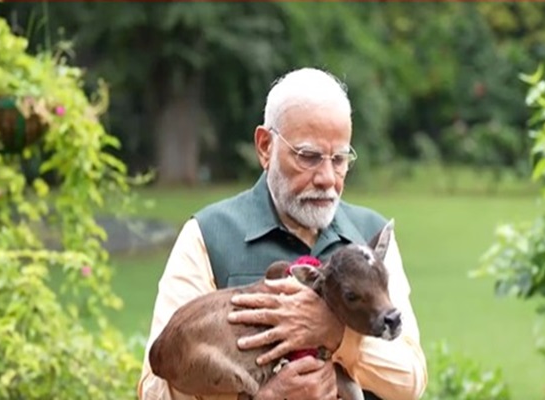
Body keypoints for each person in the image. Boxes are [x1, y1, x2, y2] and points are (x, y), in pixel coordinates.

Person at [137, 67, 428, 400]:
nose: (327, 178)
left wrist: (336, 336)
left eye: (340, 159)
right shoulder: (209, 235)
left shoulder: (372, 238)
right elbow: (156, 389)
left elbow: (411, 381)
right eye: (309, 157)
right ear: (265, 146)